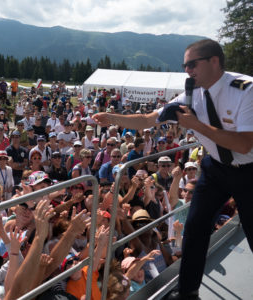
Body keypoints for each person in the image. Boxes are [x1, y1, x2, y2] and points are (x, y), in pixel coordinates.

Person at [93, 39, 253, 300]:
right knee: (195, 227)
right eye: (184, 66)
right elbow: (147, 120)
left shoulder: (245, 89)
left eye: (192, 64)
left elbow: (245, 143)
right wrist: (112, 118)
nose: (187, 71)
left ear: (214, 61)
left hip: (249, 170)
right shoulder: (191, 94)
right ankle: (188, 291)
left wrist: (195, 124)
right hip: (215, 169)